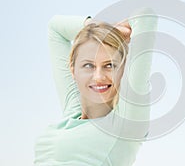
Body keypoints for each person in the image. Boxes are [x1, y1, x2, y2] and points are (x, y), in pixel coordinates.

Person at [34, 8, 157, 166]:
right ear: (73, 69)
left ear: (123, 71)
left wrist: (110, 32)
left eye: (109, 65)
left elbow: (146, 17)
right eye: (88, 65)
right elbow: (55, 28)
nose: (98, 77)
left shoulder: (125, 123)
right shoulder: (72, 113)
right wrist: (98, 29)